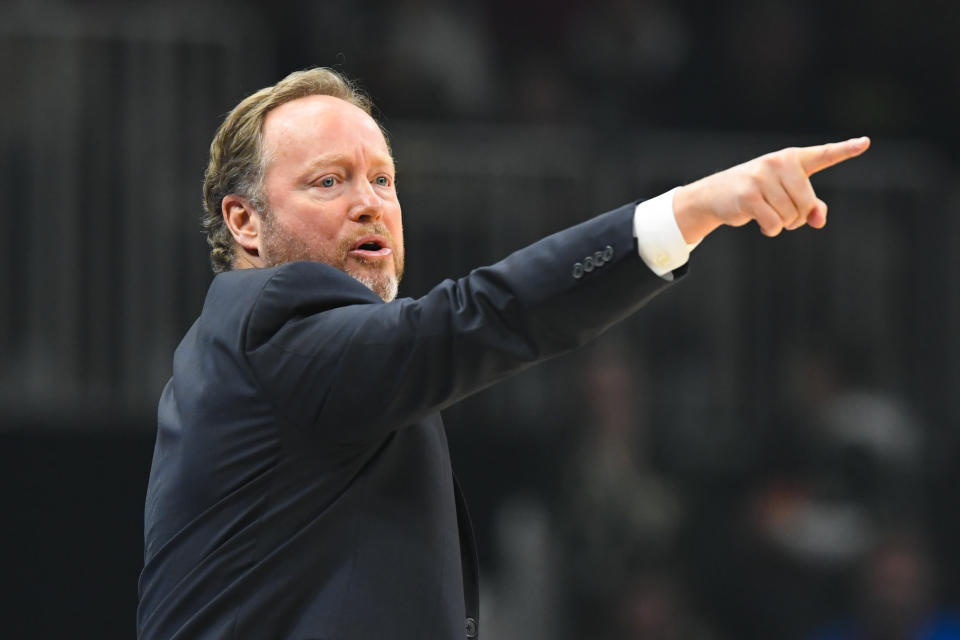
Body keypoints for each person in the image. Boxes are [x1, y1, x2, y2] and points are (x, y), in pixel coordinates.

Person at [136, 67, 870, 640]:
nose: (371, 203)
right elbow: (476, 317)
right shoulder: (268, 322)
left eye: (384, 179)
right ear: (244, 222)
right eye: (328, 181)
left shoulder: (301, 368)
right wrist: (690, 210)